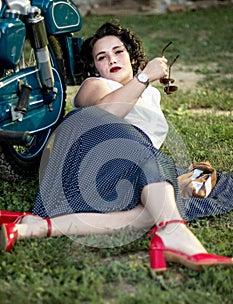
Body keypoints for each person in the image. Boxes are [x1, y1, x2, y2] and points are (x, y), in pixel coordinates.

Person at [0, 22, 232, 272]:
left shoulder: (151, 96)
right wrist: (144, 77)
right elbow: (107, 114)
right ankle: (175, 234)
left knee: (165, 204)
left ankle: (35, 228)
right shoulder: (95, 85)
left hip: (121, 176)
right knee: (136, 148)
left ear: (131, 56)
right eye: (102, 57)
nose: (111, 59)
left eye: (118, 51)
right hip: (84, 166)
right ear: (95, 67)